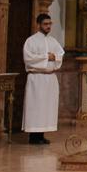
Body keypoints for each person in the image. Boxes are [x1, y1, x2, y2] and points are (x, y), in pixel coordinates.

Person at [22, 13, 64, 145]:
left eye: (50, 24)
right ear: (38, 25)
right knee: (36, 107)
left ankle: (41, 135)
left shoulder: (53, 41)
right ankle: (33, 136)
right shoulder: (31, 41)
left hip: (50, 79)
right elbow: (28, 58)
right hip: (37, 79)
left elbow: (60, 54)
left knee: (46, 108)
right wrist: (47, 57)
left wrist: (54, 57)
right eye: (45, 24)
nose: (48, 26)